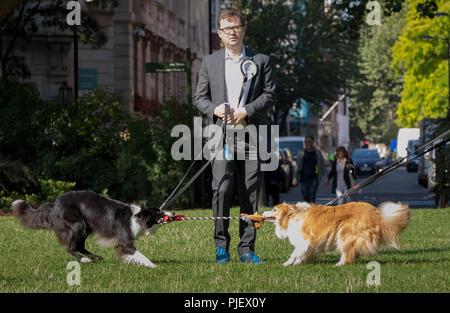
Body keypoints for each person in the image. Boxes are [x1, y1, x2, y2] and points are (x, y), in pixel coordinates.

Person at [193, 10, 276, 264]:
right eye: (226, 29)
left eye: (235, 27)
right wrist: (214, 109)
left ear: (243, 29)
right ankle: (221, 246)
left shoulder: (261, 60)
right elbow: (199, 98)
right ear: (220, 34)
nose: (231, 32)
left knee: (250, 191)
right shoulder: (209, 62)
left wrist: (245, 111)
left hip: (251, 135)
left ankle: (247, 249)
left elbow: (270, 95)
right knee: (222, 187)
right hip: (222, 137)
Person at [292, 136, 327, 203]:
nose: (307, 143)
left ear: (312, 142)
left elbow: (322, 166)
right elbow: (297, 166)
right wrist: (295, 178)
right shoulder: (301, 152)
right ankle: (308, 211)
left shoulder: (317, 153)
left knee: (312, 195)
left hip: (314, 178)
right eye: (305, 142)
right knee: (305, 196)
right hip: (303, 179)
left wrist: (325, 177)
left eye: (309, 142)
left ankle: (312, 211)